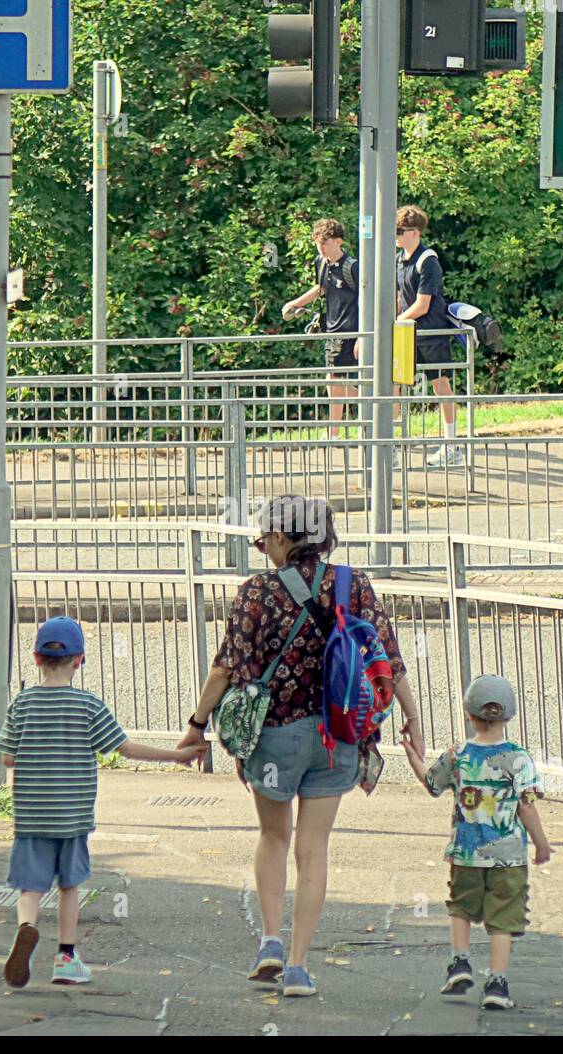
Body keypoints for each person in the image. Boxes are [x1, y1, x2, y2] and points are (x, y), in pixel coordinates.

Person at [176, 495, 425, 998]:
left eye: (266, 537)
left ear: (287, 537)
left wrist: (196, 726)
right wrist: (413, 720)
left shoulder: (256, 592)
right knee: (313, 851)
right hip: (337, 737)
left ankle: (269, 940)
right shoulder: (353, 585)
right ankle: (297, 966)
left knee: (274, 837)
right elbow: (388, 660)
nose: (263, 546)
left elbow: (225, 669)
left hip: (274, 737)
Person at [0, 616, 205, 989]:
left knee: (30, 887)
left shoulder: (22, 703)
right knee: (69, 886)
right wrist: (177, 756)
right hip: (73, 816)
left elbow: (7, 758)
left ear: (35, 658)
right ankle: (66, 958)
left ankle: (26, 927)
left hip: (31, 816)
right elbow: (125, 748)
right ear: (80, 660)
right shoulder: (88, 705)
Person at [401, 674, 553, 1010]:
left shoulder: (457, 755)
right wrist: (541, 844)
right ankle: (497, 984)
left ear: (469, 715)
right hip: (508, 859)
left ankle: (460, 962)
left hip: (465, 855)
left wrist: (412, 753)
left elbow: (430, 782)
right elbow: (527, 806)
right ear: (509, 716)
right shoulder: (519, 758)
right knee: (503, 920)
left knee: (460, 907)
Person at [395, 205, 463, 468]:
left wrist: (397, 321)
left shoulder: (428, 261)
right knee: (394, 386)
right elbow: (400, 297)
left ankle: (451, 444)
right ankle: (392, 448)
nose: (397, 236)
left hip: (430, 331)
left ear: (415, 232)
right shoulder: (400, 259)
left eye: (400, 231)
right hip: (407, 331)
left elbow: (423, 305)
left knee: (440, 385)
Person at [281, 218, 360, 439]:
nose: (321, 247)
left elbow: (366, 300)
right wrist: (296, 303)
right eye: (318, 243)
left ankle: (339, 428)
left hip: (350, 330)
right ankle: (368, 405)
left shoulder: (352, 267)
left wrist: (364, 336)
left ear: (339, 242)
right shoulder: (321, 262)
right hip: (331, 329)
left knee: (334, 381)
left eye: (325, 243)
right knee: (335, 381)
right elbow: (320, 288)